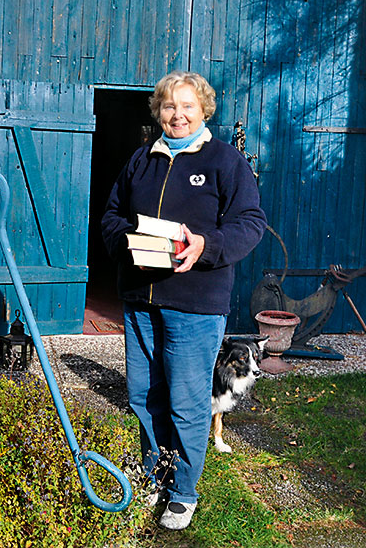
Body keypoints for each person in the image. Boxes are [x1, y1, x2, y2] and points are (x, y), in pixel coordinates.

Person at [101, 71, 266, 530]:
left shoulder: (224, 161)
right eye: (169, 106)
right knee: (143, 395)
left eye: (187, 106)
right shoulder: (141, 160)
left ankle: (183, 492)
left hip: (195, 302)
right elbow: (112, 214)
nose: (177, 114)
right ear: (158, 112)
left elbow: (250, 222)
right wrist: (126, 242)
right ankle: (156, 473)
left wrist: (205, 247)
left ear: (203, 110)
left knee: (187, 401)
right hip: (139, 299)